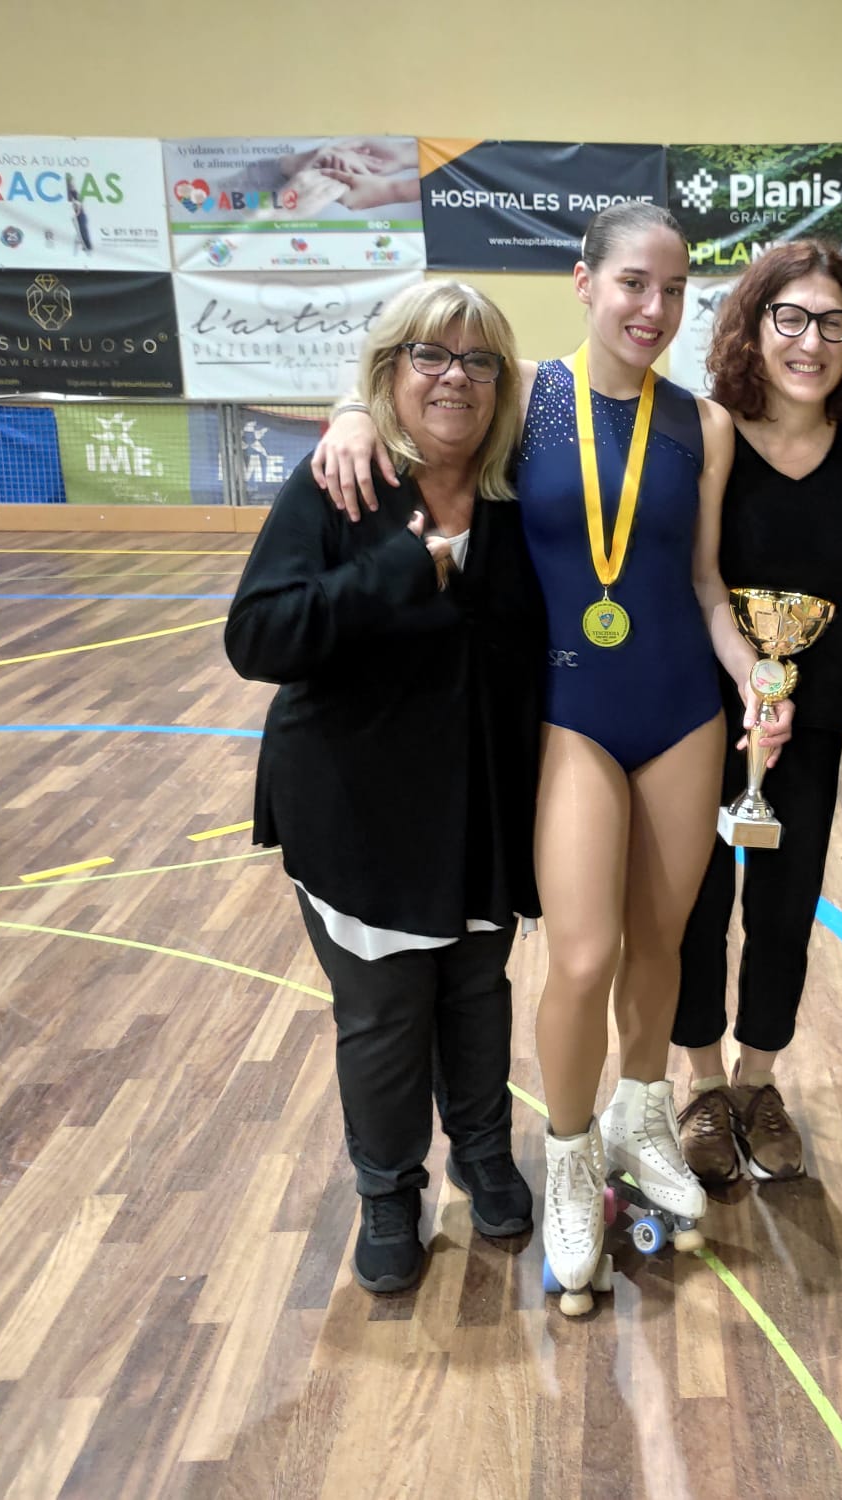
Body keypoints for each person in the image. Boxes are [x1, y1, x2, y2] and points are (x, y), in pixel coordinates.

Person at [310, 202, 790, 1313]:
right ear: (584, 284)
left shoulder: (702, 425)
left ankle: (637, 1111)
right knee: (581, 954)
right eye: (632, 284)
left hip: (681, 709)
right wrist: (346, 409)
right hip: (569, 712)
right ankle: (568, 1154)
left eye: (672, 290)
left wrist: (751, 670)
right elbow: (416, 397)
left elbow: (706, 585)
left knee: (663, 944)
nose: (652, 309)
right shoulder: (524, 398)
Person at [224, 281, 544, 1294]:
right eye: (428, 357)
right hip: (357, 814)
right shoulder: (338, 487)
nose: (454, 377)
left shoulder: (515, 496)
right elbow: (257, 637)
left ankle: (483, 1156)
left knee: (476, 995)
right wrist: (402, 570)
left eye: (478, 361)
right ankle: (387, 1187)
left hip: (482, 810)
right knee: (383, 1015)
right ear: (389, 373)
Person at [671, 241, 842, 1185]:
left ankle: (760, 1082)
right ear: (753, 326)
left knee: (785, 904)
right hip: (701, 706)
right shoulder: (708, 430)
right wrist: (359, 406)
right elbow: (700, 576)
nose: (810, 340)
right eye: (790, 318)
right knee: (695, 905)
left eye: (832, 321)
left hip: (814, 720)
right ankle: (701, 1086)